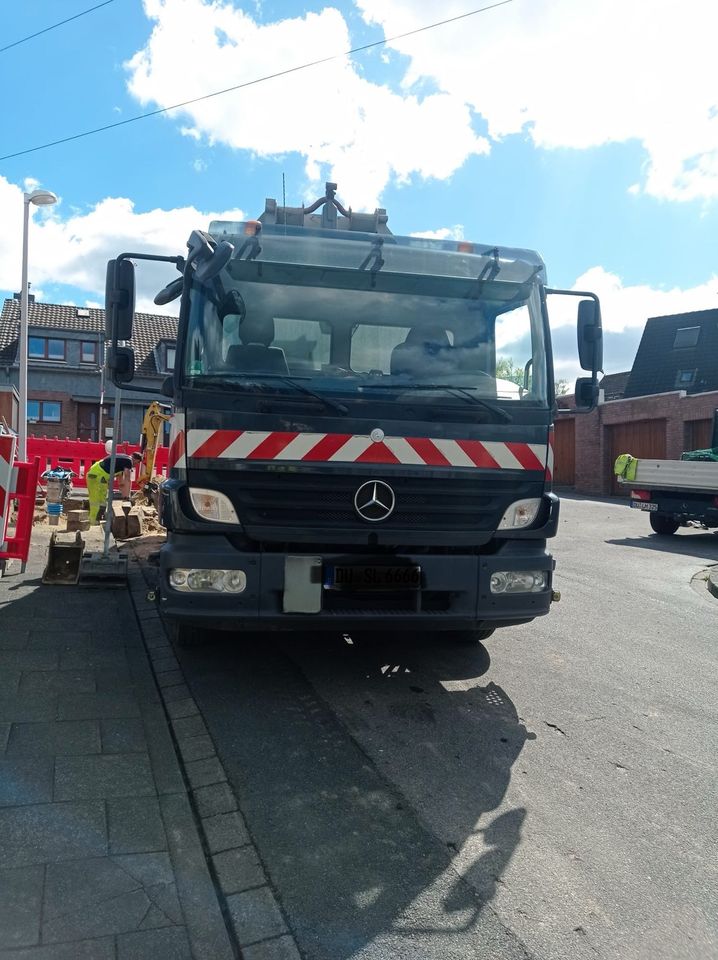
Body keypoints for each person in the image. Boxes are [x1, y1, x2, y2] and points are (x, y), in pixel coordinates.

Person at [86, 447, 142, 523]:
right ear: (135, 459)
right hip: (95, 475)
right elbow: (128, 479)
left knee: (102, 499)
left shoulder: (122, 461)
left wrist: (124, 497)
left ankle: (98, 519)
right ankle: (93, 522)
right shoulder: (129, 461)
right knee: (95, 500)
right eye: (136, 463)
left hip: (101, 477)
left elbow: (121, 483)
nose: (135, 465)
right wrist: (127, 497)